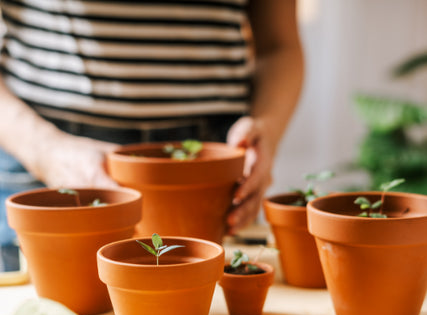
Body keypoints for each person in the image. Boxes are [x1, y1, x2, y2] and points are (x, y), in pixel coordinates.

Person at [0, 0, 304, 270]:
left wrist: (268, 128)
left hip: (213, 160)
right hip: (49, 149)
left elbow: (279, 46)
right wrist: (45, 150)